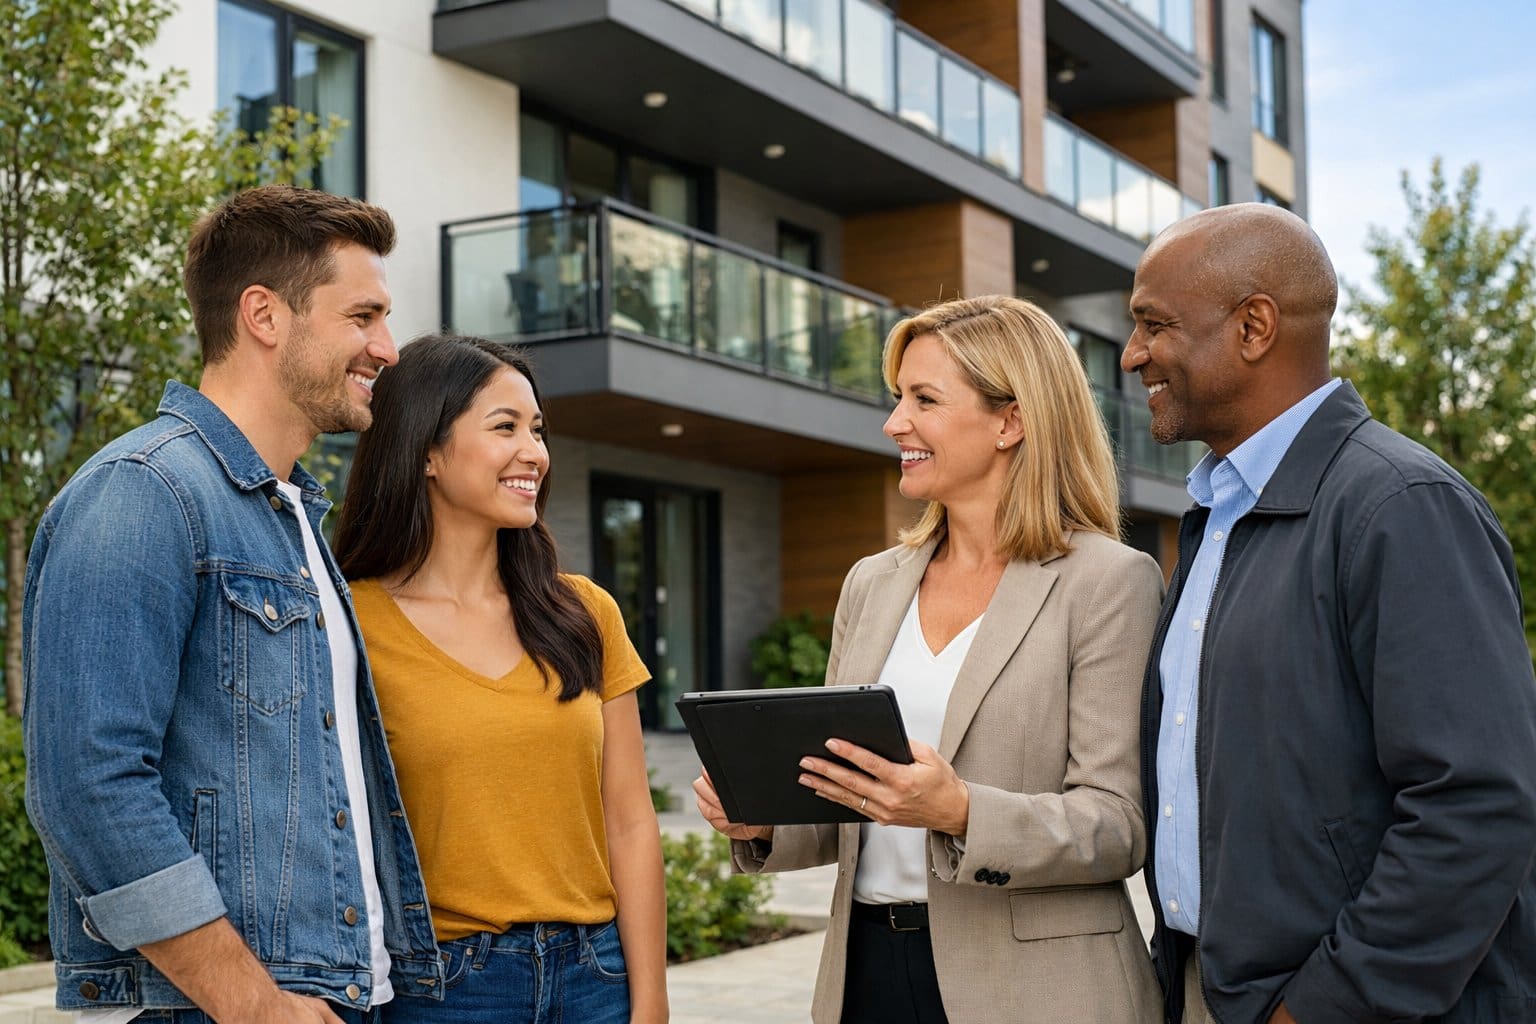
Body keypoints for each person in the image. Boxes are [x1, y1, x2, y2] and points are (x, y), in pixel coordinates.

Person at [22, 184, 443, 1022]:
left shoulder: (292, 517)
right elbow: (88, 784)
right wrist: (253, 1004)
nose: (388, 349)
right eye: (363, 317)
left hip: (329, 997)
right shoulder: (142, 494)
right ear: (264, 315)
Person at [694, 294, 1164, 1023]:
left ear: (1010, 420)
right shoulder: (872, 582)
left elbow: (1117, 824)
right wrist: (760, 821)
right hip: (868, 975)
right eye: (896, 398)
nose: (894, 423)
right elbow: (845, 795)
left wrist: (962, 810)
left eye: (924, 399)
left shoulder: (1109, 582)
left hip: (1038, 991)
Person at [1124, 202, 1536, 1024]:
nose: (1135, 355)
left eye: (1154, 325)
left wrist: (1324, 1008)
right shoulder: (1214, 518)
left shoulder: (1401, 506)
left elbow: (1477, 804)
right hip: (1218, 988)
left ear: (1254, 327)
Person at [332, 335, 667, 1024]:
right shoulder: (349, 623)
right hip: (445, 991)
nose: (534, 453)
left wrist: (650, 999)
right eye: (505, 427)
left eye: (537, 430)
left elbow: (630, 822)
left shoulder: (583, 613)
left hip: (597, 978)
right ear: (426, 450)